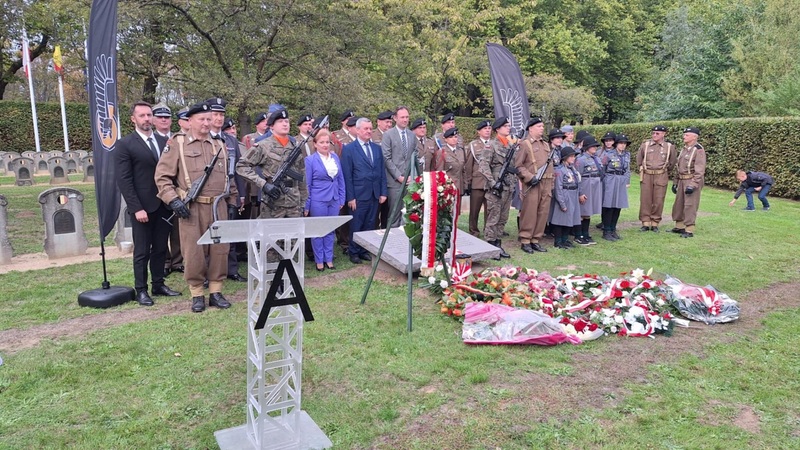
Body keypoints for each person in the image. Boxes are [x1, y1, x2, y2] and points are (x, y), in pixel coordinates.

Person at [155, 102, 238, 312]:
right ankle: (197, 294)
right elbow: (162, 177)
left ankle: (216, 292)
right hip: (191, 208)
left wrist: (232, 202)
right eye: (201, 119)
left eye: (209, 119)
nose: (206, 123)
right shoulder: (178, 144)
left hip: (218, 206)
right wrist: (173, 200)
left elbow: (229, 177)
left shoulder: (218, 144)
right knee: (194, 252)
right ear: (189, 121)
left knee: (220, 250)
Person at [116, 101, 181, 306]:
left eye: (148, 115)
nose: (146, 119)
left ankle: (158, 284)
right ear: (133, 119)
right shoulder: (126, 144)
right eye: (142, 116)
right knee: (142, 250)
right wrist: (136, 208)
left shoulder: (165, 143)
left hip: (164, 205)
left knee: (161, 248)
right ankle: (141, 289)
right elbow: (124, 180)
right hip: (143, 207)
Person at [207, 98, 248, 282]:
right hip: (209, 194)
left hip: (229, 193)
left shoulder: (230, 140)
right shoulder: (203, 138)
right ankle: (208, 273)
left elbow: (239, 170)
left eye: (221, 114)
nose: (218, 118)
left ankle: (231, 269)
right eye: (215, 114)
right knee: (209, 235)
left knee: (230, 232)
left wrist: (241, 194)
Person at [341, 118, 388, 264]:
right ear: (358, 130)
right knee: (356, 224)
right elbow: (347, 175)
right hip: (358, 194)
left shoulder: (376, 148)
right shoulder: (349, 149)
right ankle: (353, 251)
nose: (368, 131)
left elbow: (381, 172)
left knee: (370, 223)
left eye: (370, 129)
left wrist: (383, 192)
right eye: (365, 129)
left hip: (374, 193)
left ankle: (364, 250)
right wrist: (350, 197)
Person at [305, 129, 346, 271]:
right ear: (315, 144)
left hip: (334, 199)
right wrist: (307, 205)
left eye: (327, 142)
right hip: (318, 200)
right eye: (321, 142)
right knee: (318, 231)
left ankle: (329, 258)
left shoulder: (335, 158)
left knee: (330, 230)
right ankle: (319, 260)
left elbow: (341, 179)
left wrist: (342, 198)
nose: (325, 145)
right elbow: (307, 184)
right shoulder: (310, 160)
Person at [480, 116, 517, 259]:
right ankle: (490, 245)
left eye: (508, 125)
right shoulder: (491, 145)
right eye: (506, 126)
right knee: (493, 217)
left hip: (508, 186)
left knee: (503, 217)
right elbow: (483, 166)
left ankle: (498, 244)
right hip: (496, 187)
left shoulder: (509, 145)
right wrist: (492, 183)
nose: (509, 128)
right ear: (498, 129)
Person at [515, 117, 553, 253]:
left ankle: (536, 239)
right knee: (530, 211)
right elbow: (518, 166)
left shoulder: (546, 144)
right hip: (533, 182)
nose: (542, 128)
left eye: (542, 126)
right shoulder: (525, 144)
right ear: (530, 128)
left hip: (546, 182)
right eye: (539, 126)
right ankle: (525, 239)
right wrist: (529, 177)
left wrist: (551, 183)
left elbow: (550, 166)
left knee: (543, 212)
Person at [636, 125, 676, 231]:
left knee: (658, 200)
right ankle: (645, 222)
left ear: (664, 134)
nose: (654, 135)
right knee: (645, 199)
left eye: (657, 133)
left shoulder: (669, 146)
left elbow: (672, 162)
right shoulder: (645, 145)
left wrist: (663, 171)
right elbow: (639, 159)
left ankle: (655, 223)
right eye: (653, 133)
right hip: (647, 175)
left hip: (661, 175)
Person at [381, 106, 415, 227]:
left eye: (407, 117)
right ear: (395, 118)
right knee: (394, 215)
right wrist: (399, 176)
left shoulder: (412, 135)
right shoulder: (388, 135)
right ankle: (392, 242)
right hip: (395, 182)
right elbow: (386, 158)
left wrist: (412, 176)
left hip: (410, 182)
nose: (405, 120)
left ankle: (404, 242)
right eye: (402, 117)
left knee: (408, 214)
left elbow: (414, 157)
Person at [671, 127, 706, 238]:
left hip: (691, 179)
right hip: (682, 179)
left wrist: (693, 184)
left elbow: (700, 169)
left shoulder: (698, 149)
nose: (684, 137)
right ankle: (679, 226)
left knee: (690, 205)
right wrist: (675, 182)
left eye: (687, 135)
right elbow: (679, 166)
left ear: (694, 137)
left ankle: (689, 229)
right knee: (679, 204)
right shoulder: (685, 149)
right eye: (684, 135)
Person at [600, 134, 631, 241]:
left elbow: (627, 169)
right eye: (621, 143)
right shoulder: (608, 154)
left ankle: (613, 229)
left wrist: (627, 181)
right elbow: (602, 168)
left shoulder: (626, 155)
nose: (623, 145)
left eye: (624, 143)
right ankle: (606, 230)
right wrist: (603, 181)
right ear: (616, 144)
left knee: (618, 205)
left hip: (621, 179)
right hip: (610, 178)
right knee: (609, 205)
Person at [573, 137, 603, 245]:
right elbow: (577, 176)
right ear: (586, 147)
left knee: (588, 211)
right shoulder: (580, 159)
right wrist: (580, 192)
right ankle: (578, 235)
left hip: (594, 186)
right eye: (592, 146)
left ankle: (586, 233)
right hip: (585, 184)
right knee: (582, 211)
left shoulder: (596, 158)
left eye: (595, 146)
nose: (595, 148)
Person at [465, 120, 492, 237]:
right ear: (479, 132)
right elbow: (469, 165)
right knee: (474, 209)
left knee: (490, 209)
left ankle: (488, 230)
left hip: (491, 182)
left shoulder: (494, 144)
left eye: (489, 128)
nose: (487, 130)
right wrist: (468, 182)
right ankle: (474, 231)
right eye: (485, 129)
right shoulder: (473, 145)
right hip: (477, 182)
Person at [551, 146, 581, 249]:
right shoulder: (560, 170)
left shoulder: (572, 169)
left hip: (573, 195)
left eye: (574, 156)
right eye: (571, 156)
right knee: (561, 219)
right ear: (565, 158)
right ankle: (558, 241)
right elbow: (558, 188)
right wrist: (562, 202)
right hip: (565, 194)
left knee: (570, 218)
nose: (573, 158)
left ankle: (565, 239)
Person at [373, 110, 394, 228]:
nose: (389, 125)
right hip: (376, 178)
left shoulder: (393, 135)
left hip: (390, 177)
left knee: (388, 211)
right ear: (378, 122)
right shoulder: (372, 135)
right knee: (375, 213)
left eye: (390, 122)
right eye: (386, 122)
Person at [440, 127, 467, 210]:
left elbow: (464, 169)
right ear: (446, 139)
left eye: (455, 137)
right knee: (447, 211)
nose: (454, 139)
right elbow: (440, 171)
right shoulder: (442, 152)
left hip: (459, 187)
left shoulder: (461, 151)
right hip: (448, 187)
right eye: (451, 137)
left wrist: (465, 186)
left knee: (457, 212)